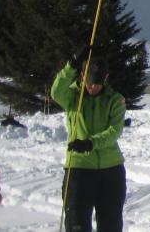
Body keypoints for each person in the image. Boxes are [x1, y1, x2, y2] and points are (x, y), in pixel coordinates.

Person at [51, 48, 127, 232]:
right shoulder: (72, 97)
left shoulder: (114, 100)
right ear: (82, 76)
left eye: (98, 83)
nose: (93, 87)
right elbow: (56, 92)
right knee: (77, 224)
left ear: (106, 78)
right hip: (79, 169)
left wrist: (91, 143)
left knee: (111, 225)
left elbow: (114, 131)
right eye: (90, 82)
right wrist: (71, 65)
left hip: (111, 171)